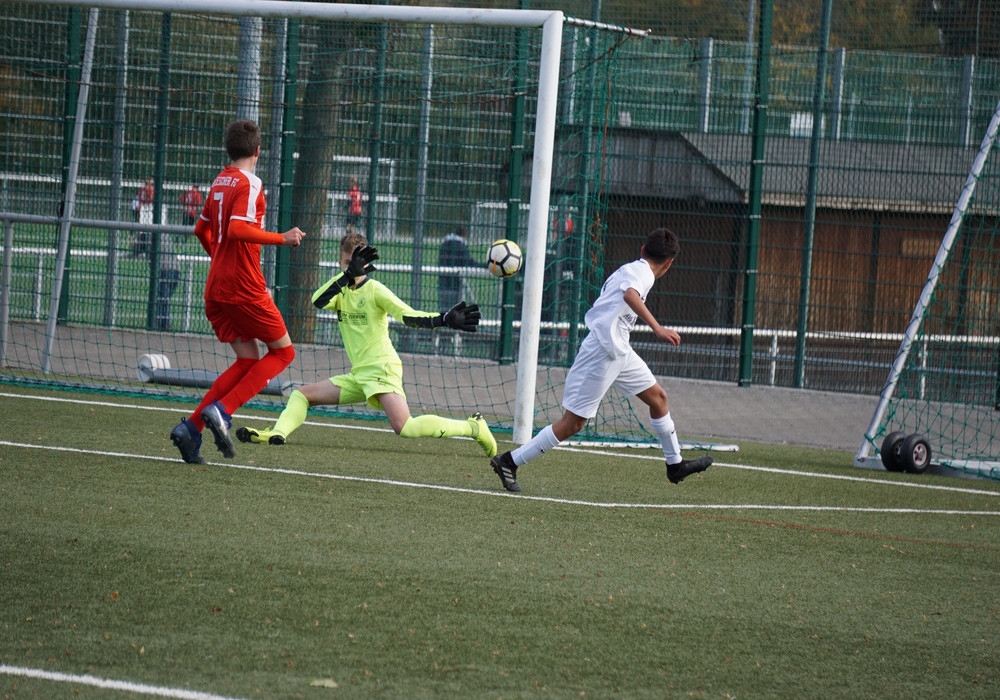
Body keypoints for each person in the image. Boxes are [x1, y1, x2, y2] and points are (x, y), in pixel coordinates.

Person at [235, 231, 497, 459]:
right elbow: (317, 301)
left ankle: (473, 427)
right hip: (359, 375)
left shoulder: (375, 290)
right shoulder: (340, 291)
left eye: (357, 263)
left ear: (368, 264)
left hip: (382, 368)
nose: (353, 268)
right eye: (347, 263)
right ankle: (277, 433)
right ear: (341, 263)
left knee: (405, 427)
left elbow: (408, 316)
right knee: (301, 395)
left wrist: (444, 319)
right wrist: (347, 275)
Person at [489, 227, 713, 493]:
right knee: (573, 423)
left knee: (659, 399)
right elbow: (630, 294)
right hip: (601, 352)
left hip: (619, 350)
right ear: (669, 263)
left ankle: (674, 464)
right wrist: (658, 328)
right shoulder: (641, 271)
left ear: (643, 249)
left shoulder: (634, 269)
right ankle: (509, 461)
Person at [169, 119, 307, 464]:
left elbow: (201, 230)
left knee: (247, 360)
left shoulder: (220, 180)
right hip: (243, 287)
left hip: (216, 286)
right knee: (284, 353)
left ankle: (190, 430)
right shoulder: (250, 183)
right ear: (258, 151)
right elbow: (236, 229)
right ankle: (223, 410)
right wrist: (282, 238)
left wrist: (219, 260)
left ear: (228, 149)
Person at [131, 229, 181, 332]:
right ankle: (161, 324)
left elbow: (136, 250)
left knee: (162, 300)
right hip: (176, 271)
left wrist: (133, 243)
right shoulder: (164, 232)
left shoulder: (146, 235)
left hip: (163, 271)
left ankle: (163, 325)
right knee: (163, 300)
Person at [437, 225, 481, 312]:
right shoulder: (461, 247)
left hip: (442, 284)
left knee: (443, 312)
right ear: (464, 235)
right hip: (455, 286)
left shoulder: (444, 244)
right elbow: (470, 263)